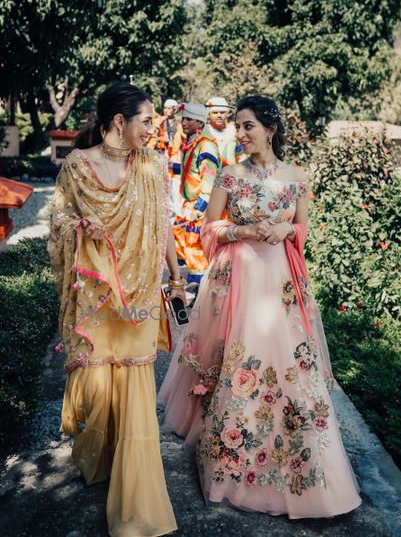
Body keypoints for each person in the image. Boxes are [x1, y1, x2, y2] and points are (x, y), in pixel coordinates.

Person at [159, 95, 362, 519]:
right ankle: (232, 458)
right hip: (238, 279)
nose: (240, 132)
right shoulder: (230, 176)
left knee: (288, 366)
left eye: (248, 125)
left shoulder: (296, 177)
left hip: (281, 284)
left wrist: (288, 227)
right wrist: (245, 229)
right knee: (238, 360)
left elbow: (302, 228)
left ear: (270, 129)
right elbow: (207, 229)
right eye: (237, 125)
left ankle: (303, 470)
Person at [48, 82, 186, 537]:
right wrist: (78, 227)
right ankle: (100, 459)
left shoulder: (152, 167)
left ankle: (136, 504)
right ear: (118, 122)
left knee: (136, 394)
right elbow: (59, 218)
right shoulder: (77, 166)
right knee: (98, 385)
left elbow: (163, 223)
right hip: (96, 293)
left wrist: (177, 274)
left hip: (140, 294)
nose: (153, 128)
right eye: (146, 120)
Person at [172, 102, 220, 286]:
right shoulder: (192, 141)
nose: (184, 122)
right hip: (188, 204)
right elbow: (191, 171)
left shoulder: (206, 146)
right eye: (183, 118)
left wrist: (200, 207)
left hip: (200, 205)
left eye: (189, 119)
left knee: (196, 249)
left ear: (200, 123)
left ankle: (203, 290)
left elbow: (209, 178)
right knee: (182, 243)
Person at [147, 98, 184, 216]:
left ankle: (177, 210)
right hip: (162, 155)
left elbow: (183, 137)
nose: (167, 111)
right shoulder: (160, 121)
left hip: (176, 155)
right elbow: (152, 136)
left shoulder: (180, 123)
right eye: (165, 108)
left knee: (175, 183)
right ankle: (167, 210)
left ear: (175, 110)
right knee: (164, 182)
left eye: (170, 108)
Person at [205, 96, 244, 168]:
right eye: (215, 112)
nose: (219, 115)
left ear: (227, 114)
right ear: (208, 114)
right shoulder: (203, 131)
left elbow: (240, 156)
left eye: (222, 112)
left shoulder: (234, 131)